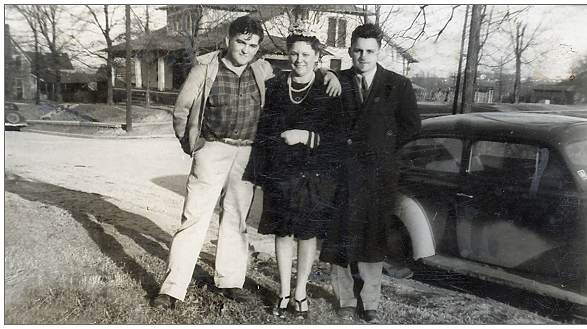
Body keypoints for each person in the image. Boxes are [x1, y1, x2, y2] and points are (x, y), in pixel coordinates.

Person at [152, 16, 341, 309]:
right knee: (194, 218)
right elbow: (182, 109)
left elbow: (302, 69)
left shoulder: (262, 69)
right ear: (228, 40)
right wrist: (193, 145)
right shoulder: (206, 66)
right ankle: (173, 288)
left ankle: (229, 281)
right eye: (241, 42)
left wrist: (331, 74)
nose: (245, 49)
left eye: (252, 45)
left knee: (236, 220)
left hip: (246, 154)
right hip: (212, 149)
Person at [319, 23, 421, 324]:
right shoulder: (337, 81)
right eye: (358, 50)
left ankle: (371, 301)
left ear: (380, 51)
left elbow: (412, 126)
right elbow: (324, 122)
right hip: (343, 173)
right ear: (350, 50)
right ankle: (345, 299)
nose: (363, 56)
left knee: (373, 237)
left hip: (379, 174)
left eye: (370, 51)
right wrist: (326, 74)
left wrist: (383, 147)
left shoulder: (398, 85)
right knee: (340, 237)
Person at [246, 33, 342, 319]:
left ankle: (301, 293)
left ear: (316, 57)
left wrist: (306, 136)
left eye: (306, 54)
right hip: (281, 173)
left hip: (313, 174)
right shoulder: (275, 86)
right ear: (288, 55)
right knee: (283, 232)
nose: (299, 60)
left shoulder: (328, 89)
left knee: (306, 233)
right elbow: (263, 129)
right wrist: (263, 171)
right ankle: (284, 293)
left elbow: (337, 136)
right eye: (294, 54)